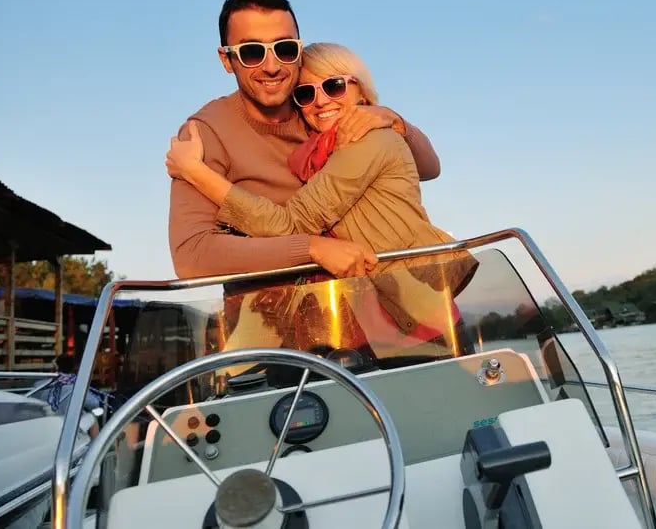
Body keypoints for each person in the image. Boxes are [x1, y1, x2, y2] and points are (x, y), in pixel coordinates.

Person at [166, 42, 477, 359]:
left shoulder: (368, 142)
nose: (321, 101)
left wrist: (196, 172)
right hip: (379, 320)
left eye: (334, 86)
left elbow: (290, 224)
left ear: (360, 88)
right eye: (305, 94)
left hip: (419, 319)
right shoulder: (321, 151)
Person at [169, 0, 442, 280]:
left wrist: (394, 121)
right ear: (226, 60)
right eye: (251, 53)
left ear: (298, 51)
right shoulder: (205, 133)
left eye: (284, 48)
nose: (272, 66)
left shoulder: (313, 107)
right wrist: (309, 249)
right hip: (268, 317)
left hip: (359, 302)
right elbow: (192, 256)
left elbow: (427, 168)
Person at [30, 354, 104, 436]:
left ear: (56, 367)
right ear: (73, 369)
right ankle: (95, 445)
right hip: (69, 425)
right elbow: (94, 403)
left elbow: (32, 401)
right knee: (92, 416)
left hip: (46, 422)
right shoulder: (76, 387)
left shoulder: (39, 385)